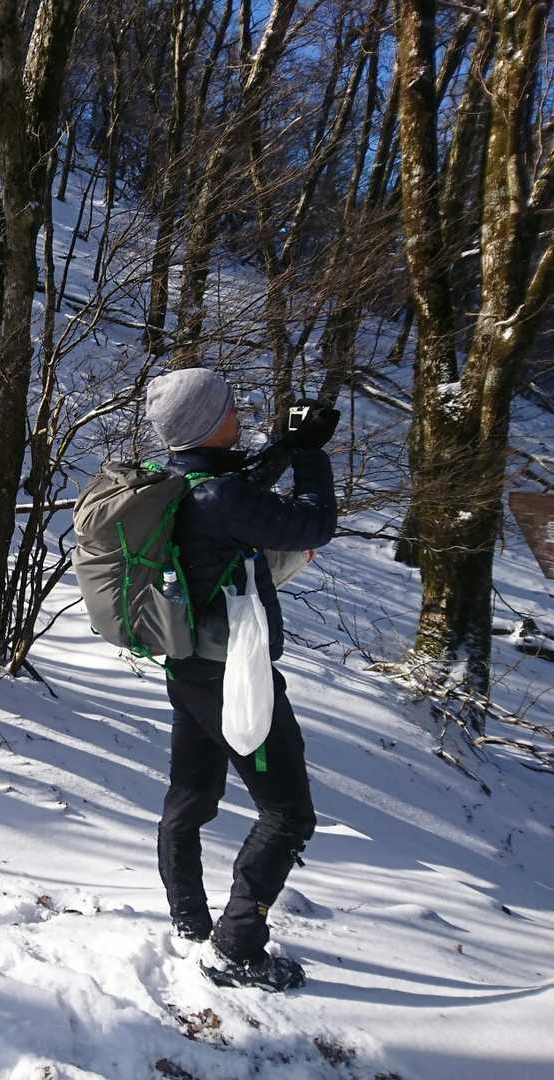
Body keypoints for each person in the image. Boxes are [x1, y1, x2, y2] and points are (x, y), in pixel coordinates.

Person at [143, 367, 338, 991]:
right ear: (207, 423)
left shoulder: (176, 482)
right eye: (228, 407)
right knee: (287, 814)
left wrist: (286, 444)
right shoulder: (218, 498)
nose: (238, 412)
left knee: (192, 795)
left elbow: (240, 488)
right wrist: (310, 456)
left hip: (189, 666)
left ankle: (189, 919)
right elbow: (313, 524)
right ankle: (236, 947)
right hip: (237, 676)